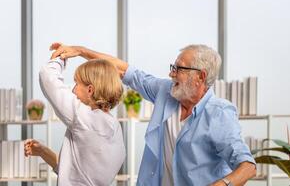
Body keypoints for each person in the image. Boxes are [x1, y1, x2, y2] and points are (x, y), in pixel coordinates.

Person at [50, 43, 256, 186]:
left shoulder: (219, 114)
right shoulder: (165, 92)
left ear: (200, 77)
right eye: (172, 67)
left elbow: (247, 167)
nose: (171, 74)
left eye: (178, 69)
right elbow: (125, 71)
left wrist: (221, 184)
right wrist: (79, 51)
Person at [25, 57, 126, 186]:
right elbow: (77, 174)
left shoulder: (85, 117)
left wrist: (60, 59)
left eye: (77, 84)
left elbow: (47, 76)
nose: (73, 90)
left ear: (90, 90)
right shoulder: (115, 128)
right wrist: (43, 151)